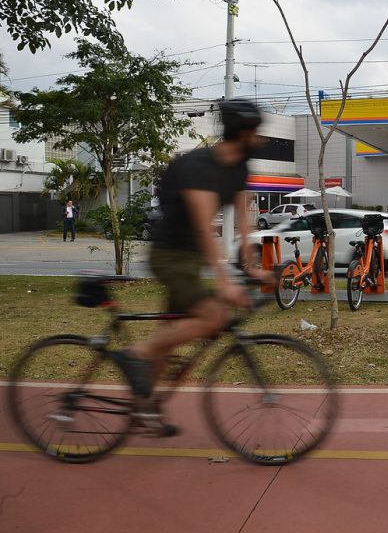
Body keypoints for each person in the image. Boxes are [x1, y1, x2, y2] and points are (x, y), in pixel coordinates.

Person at [111, 99, 271, 434]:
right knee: (213, 316)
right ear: (242, 133)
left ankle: (144, 408)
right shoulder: (200, 165)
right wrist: (225, 281)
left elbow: (244, 219)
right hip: (170, 256)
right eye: (256, 133)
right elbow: (203, 226)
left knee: (169, 340)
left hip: (191, 260)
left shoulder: (239, 167)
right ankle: (135, 353)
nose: (261, 139)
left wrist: (254, 265)